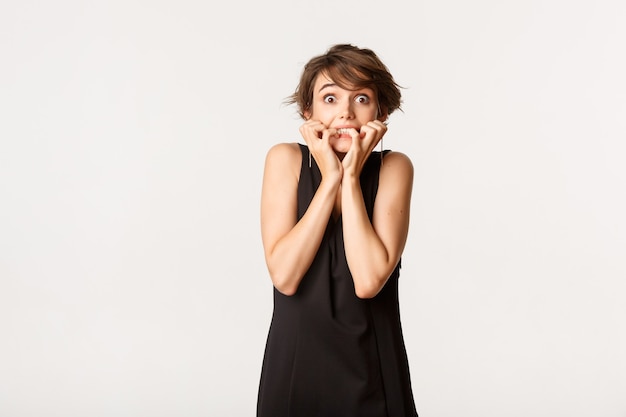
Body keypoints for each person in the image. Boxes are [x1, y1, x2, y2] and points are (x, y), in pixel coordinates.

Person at [257, 44, 418, 417]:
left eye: (361, 98)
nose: (345, 112)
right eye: (330, 98)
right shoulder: (284, 160)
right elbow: (285, 275)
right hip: (294, 370)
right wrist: (330, 177)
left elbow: (368, 280)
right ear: (308, 112)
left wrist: (349, 178)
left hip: (373, 370)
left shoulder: (394, 168)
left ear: (381, 112)